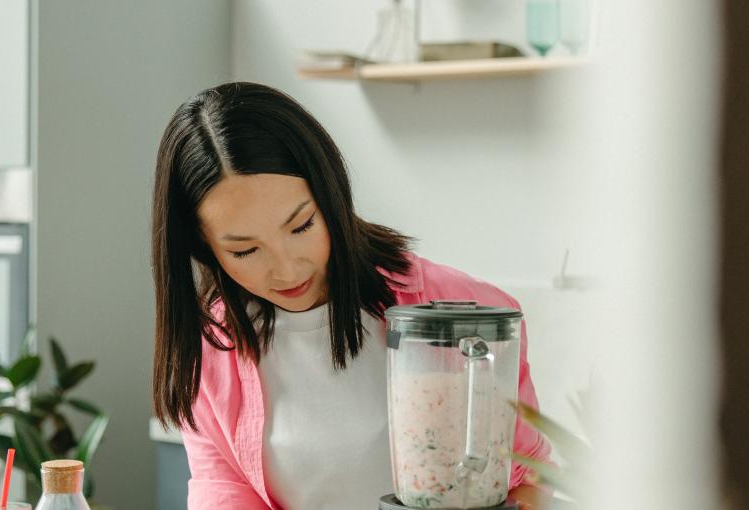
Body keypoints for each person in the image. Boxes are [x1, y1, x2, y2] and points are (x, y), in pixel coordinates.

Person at [150, 82, 553, 509]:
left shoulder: (458, 307)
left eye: (302, 225)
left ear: (331, 193)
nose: (288, 269)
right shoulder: (213, 346)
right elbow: (224, 493)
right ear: (202, 247)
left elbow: (527, 478)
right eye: (244, 250)